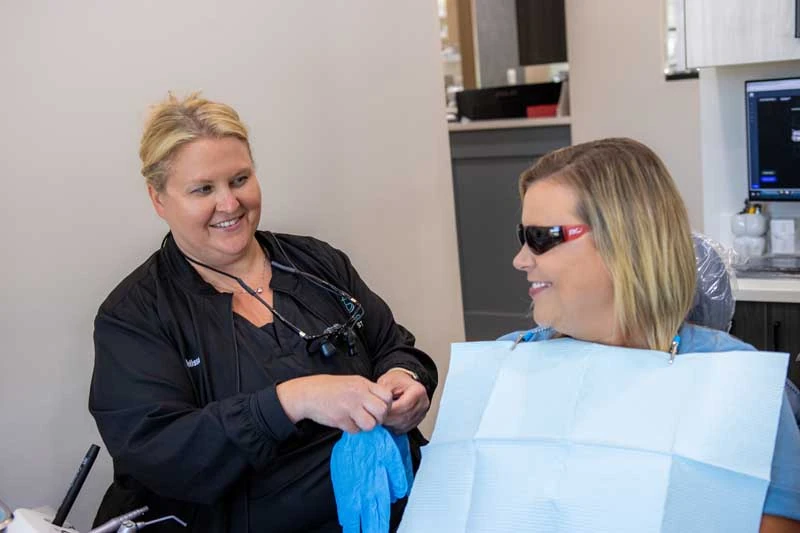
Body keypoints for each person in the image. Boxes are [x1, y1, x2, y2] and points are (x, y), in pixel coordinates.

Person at [89, 93, 437, 532]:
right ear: (158, 199)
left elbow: (393, 346)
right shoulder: (135, 316)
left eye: (240, 179)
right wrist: (292, 400)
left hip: (401, 508)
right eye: (203, 189)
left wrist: (405, 379)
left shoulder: (316, 263)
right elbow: (161, 454)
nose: (229, 204)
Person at [502, 138, 800, 532]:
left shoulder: (735, 386)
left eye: (541, 238)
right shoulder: (507, 366)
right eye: (522, 237)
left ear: (623, 241)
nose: (521, 260)